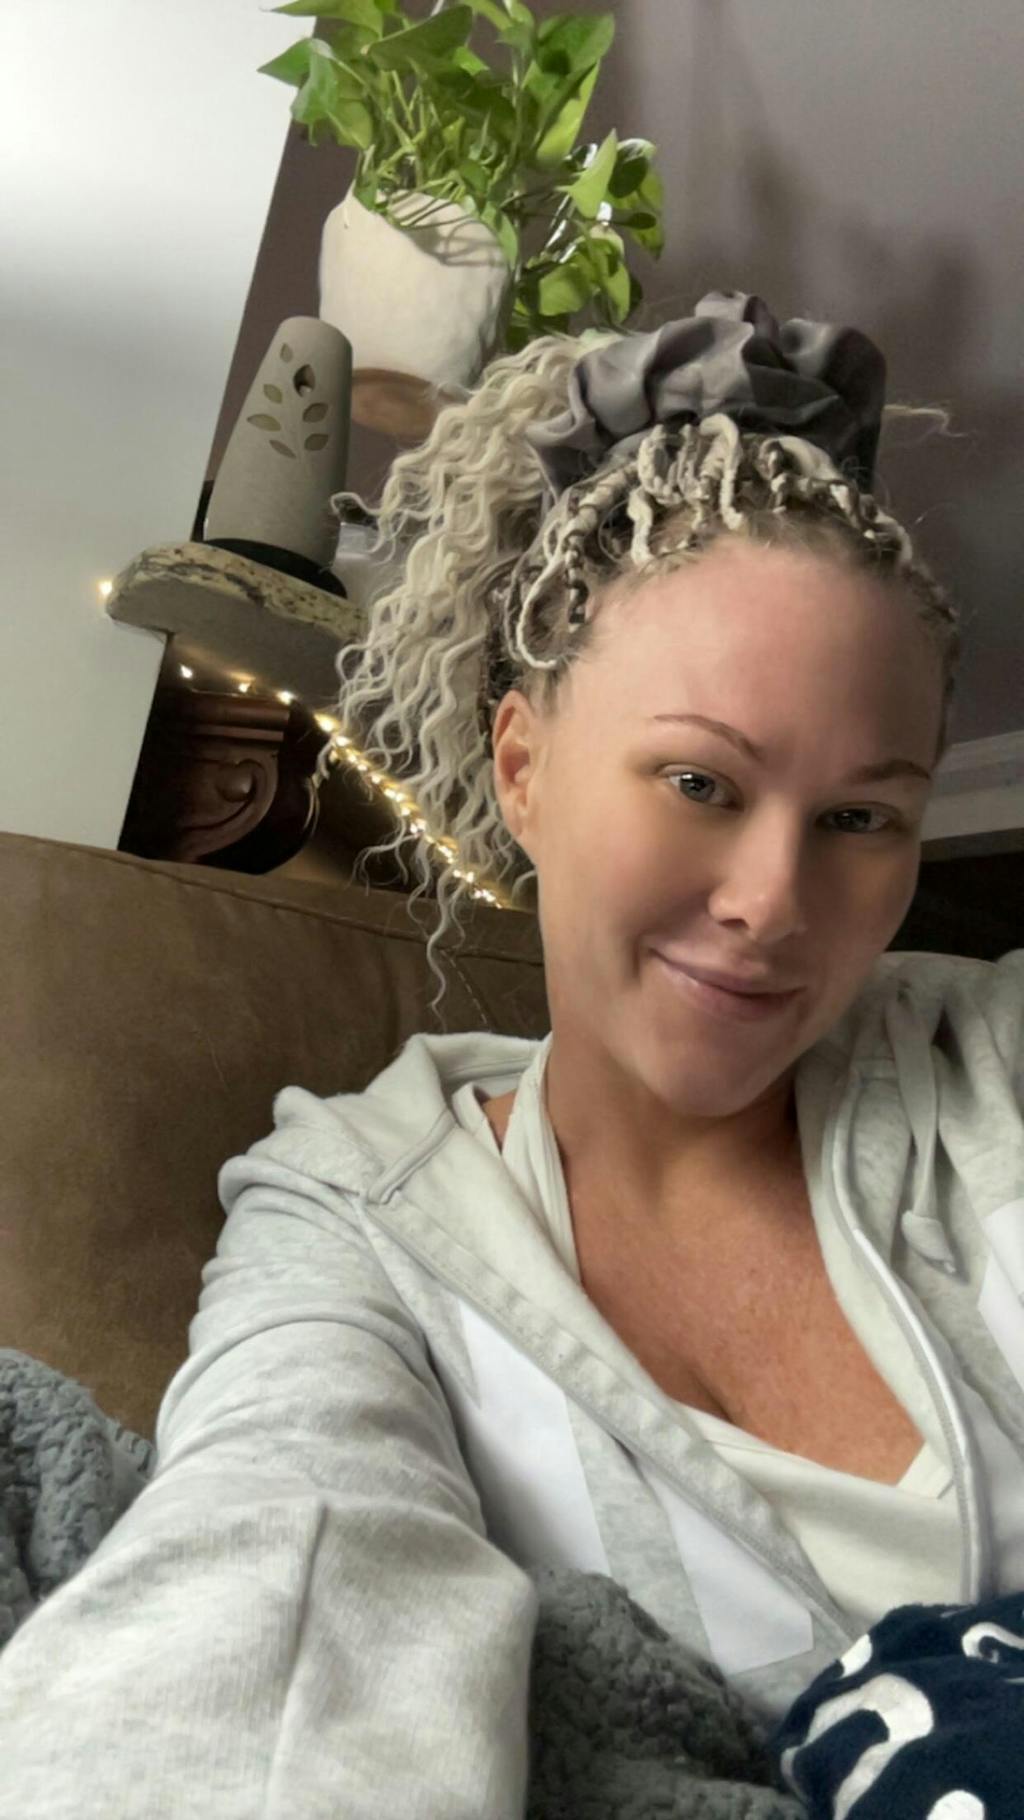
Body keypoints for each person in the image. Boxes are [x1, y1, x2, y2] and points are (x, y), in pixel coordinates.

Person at [1, 292, 1021, 1819]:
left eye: (861, 817)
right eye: (699, 781)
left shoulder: (988, 1053)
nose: (773, 902)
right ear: (523, 768)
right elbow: (280, 1561)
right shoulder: (359, 1216)